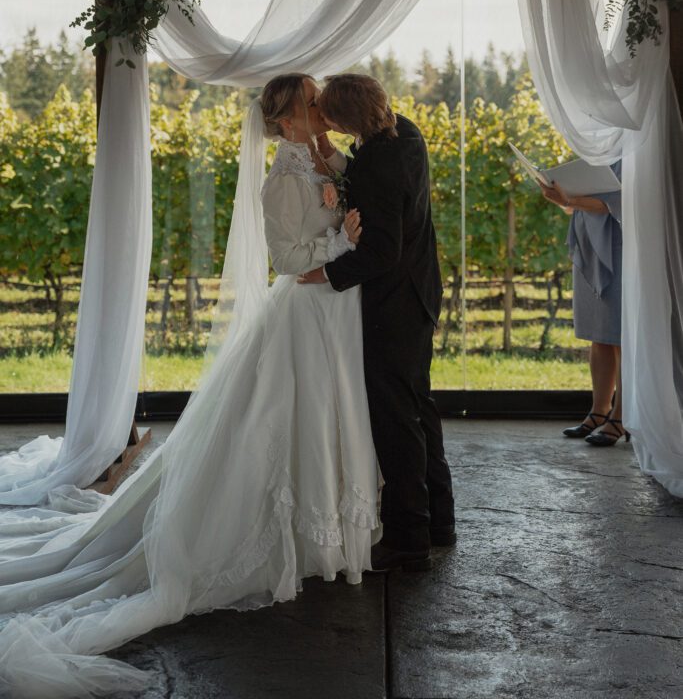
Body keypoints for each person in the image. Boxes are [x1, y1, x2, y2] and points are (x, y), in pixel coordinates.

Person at [0, 73, 381, 698]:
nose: (322, 108)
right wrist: (343, 236)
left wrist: (342, 212)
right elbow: (286, 262)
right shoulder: (281, 181)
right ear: (285, 120)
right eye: (311, 102)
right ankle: (295, 541)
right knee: (290, 422)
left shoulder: (321, 165)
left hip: (337, 315)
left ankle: (333, 537)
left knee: (332, 415)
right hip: (306, 317)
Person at [299, 74, 455, 570]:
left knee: (395, 419)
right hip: (420, 292)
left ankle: (409, 539)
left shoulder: (378, 163)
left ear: (348, 118)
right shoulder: (403, 132)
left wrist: (327, 271)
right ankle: (439, 521)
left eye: (328, 113)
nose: (322, 118)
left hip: (395, 305)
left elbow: (383, 250)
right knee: (419, 407)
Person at [540, 162, 627, 446]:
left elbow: (620, 200)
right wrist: (562, 197)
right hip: (589, 241)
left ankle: (622, 416)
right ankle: (599, 411)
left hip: (619, 242)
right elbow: (574, 203)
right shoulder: (592, 146)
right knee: (598, 333)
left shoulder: (630, 145)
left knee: (619, 335)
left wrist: (570, 199)